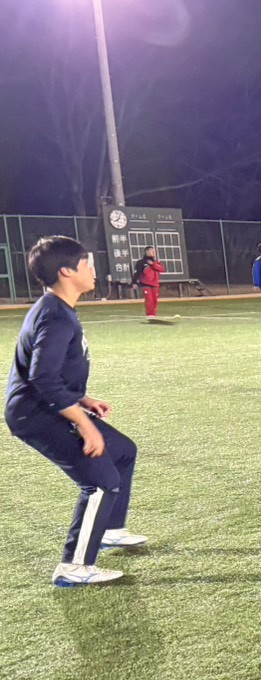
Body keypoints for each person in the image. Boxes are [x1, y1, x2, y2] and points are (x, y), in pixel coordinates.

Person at [6, 237, 147, 586]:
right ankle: (74, 567)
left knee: (123, 452)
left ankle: (108, 529)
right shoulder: (55, 315)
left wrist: (83, 400)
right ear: (66, 272)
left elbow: (53, 372)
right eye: (87, 264)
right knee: (100, 482)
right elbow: (42, 377)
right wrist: (84, 424)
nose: (93, 270)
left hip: (48, 405)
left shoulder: (58, 308)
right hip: (36, 414)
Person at [132, 245, 164, 320]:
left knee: (155, 300)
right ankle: (150, 315)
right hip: (145, 284)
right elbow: (137, 273)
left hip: (155, 284)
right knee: (149, 299)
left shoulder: (156, 262)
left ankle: (153, 314)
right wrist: (134, 282)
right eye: (151, 251)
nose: (153, 253)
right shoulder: (141, 262)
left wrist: (153, 264)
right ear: (147, 252)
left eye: (154, 251)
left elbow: (162, 269)